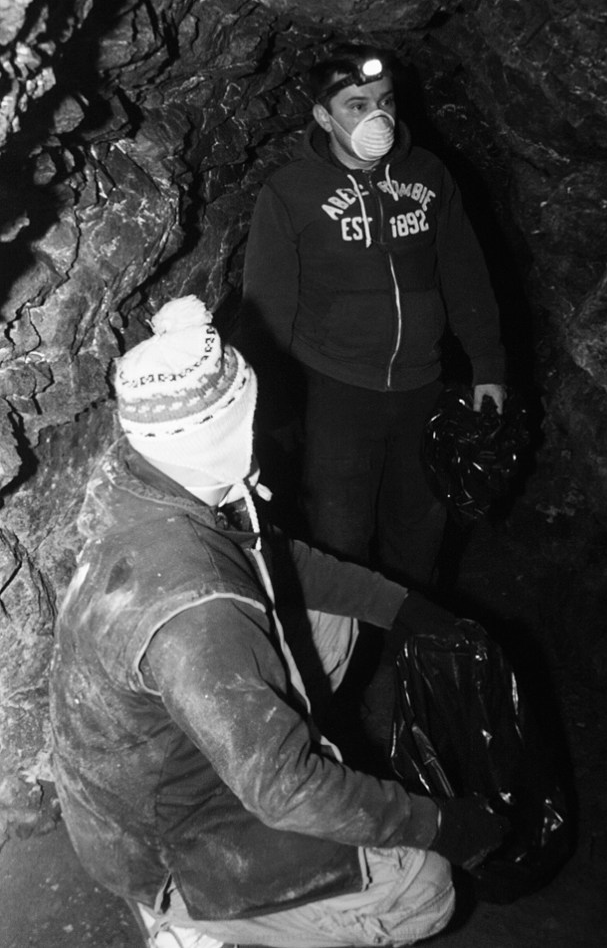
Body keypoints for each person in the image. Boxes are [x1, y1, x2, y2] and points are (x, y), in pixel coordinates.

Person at [49, 296, 508, 948]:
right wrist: (438, 823)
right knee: (424, 888)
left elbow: (275, 559)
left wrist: (402, 606)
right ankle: (186, 922)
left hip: (144, 769)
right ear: (227, 432)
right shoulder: (196, 608)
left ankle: (259, 753)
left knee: (335, 623)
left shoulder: (147, 484)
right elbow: (284, 787)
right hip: (160, 844)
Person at [241, 44, 505, 591]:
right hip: (334, 391)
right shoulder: (289, 193)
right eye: (357, 106)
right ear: (323, 116)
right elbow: (267, 306)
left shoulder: (429, 174)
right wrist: (271, 408)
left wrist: (488, 366)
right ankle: (354, 641)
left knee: (421, 529)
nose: (376, 117)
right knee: (340, 538)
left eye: (385, 101)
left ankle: (412, 632)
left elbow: (465, 273)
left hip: (422, 386)